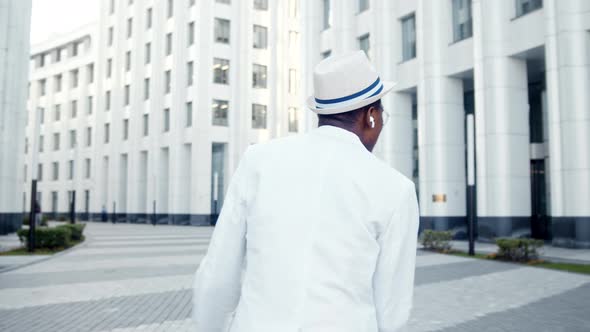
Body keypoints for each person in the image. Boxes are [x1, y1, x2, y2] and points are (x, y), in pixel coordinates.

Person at [193, 51, 420, 332]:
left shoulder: (259, 160)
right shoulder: (396, 189)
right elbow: (392, 309)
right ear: (371, 116)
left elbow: (218, 274)